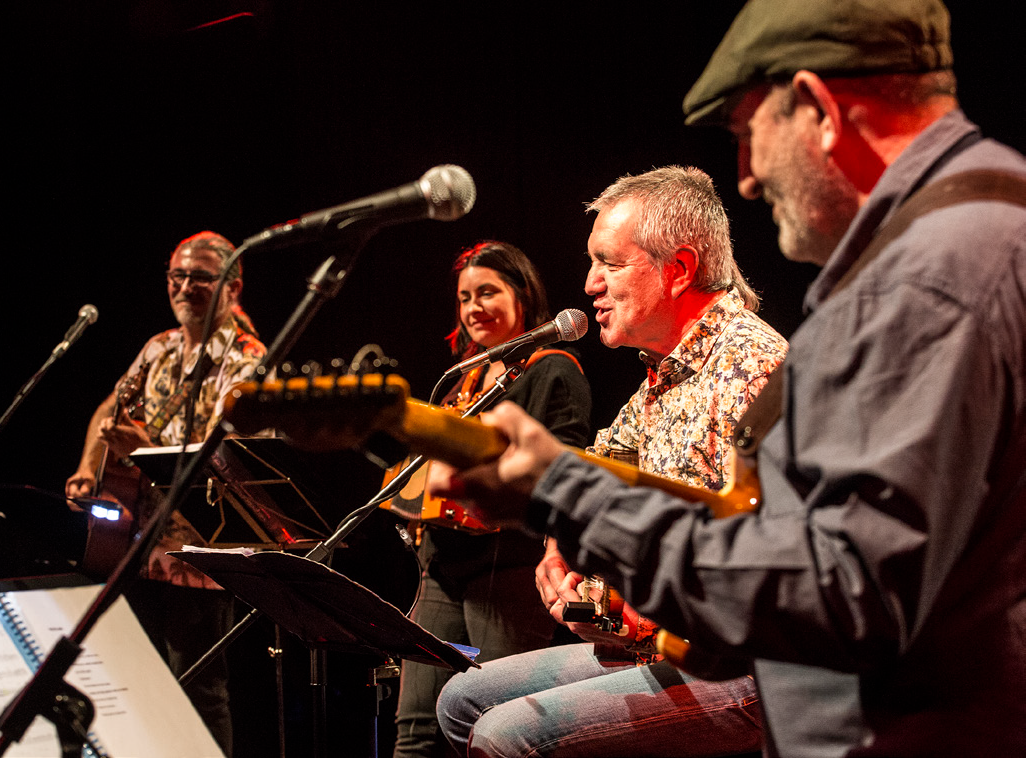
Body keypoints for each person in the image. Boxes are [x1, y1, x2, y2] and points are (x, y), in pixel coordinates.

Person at [430, 1, 1026, 755]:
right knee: (465, 702)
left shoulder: (924, 279)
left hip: (897, 721)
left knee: (509, 735)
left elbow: (835, 594)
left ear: (817, 107)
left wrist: (558, 494)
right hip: (893, 693)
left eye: (748, 135)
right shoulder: (983, 216)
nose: (744, 177)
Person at [435, 167, 787, 757]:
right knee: (459, 700)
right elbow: (594, 466)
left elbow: (774, 569)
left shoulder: (753, 369)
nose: (590, 283)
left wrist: (650, 602)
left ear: (678, 270)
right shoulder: (663, 378)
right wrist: (558, 548)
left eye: (610, 263)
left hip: (751, 669)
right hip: (665, 650)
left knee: (504, 735)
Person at [65, 230, 265, 755]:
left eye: (200, 277)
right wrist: (90, 468)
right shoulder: (160, 347)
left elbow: (229, 465)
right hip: (136, 541)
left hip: (200, 552)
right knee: (134, 677)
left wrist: (146, 446)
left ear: (233, 287)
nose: (184, 286)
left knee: (196, 687)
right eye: (177, 276)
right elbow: (111, 408)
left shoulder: (247, 360)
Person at [392, 241, 594, 758]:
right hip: (443, 567)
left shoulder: (554, 368)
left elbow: (565, 465)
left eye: (488, 292)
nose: (473, 307)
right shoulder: (461, 380)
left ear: (522, 295)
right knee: (415, 729)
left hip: (508, 569)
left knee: (496, 723)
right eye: (464, 297)